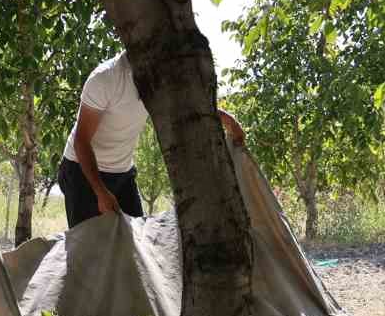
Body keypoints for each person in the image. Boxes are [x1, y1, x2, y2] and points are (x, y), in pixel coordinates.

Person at [58, 50, 247, 227]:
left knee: (135, 245)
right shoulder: (106, 78)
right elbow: (81, 140)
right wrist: (100, 191)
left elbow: (189, 106)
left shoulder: (160, 77)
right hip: (82, 172)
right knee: (87, 249)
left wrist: (229, 121)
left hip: (122, 172)